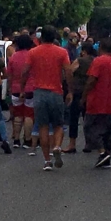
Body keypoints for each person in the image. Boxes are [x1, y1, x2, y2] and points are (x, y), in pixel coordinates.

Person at [22, 25, 72, 171]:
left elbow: (25, 71)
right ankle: (56, 146)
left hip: (39, 92)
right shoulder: (62, 52)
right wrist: (70, 91)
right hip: (56, 92)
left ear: (41, 37)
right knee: (58, 125)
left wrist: (23, 87)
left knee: (43, 126)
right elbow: (68, 72)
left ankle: (47, 160)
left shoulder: (33, 52)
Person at [83, 38, 111, 169]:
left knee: (90, 128)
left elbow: (92, 80)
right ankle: (106, 155)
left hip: (97, 101)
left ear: (100, 48)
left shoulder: (98, 61)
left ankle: (102, 152)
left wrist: (84, 96)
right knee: (109, 131)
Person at [65, 42, 95, 154]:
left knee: (74, 118)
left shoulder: (80, 60)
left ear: (83, 51)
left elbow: (69, 71)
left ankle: (72, 144)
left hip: (78, 91)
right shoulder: (95, 61)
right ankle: (89, 143)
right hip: (91, 92)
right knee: (89, 119)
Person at [7, 34, 35, 150]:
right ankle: (27, 139)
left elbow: (9, 74)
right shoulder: (32, 55)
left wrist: (9, 88)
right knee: (29, 114)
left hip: (15, 88)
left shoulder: (13, 57)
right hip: (30, 88)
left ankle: (16, 139)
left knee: (18, 114)